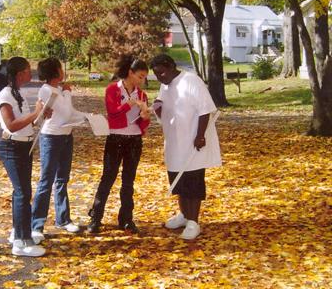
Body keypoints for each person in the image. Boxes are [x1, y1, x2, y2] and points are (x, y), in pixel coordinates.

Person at [150, 54, 221, 240]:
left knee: (192, 182)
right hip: (174, 143)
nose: (160, 77)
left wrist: (200, 135)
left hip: (192, 142)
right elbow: (164, 107)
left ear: (172, 66)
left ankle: (193, 222)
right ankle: (184, 215)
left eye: (162, 72)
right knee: (178, 181)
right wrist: (157, 108)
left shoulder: (191, 81)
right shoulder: (165, 85)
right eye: (156, 74)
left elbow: (205, 109)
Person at [87, 55, 150, 234]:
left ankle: (126, 219)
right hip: (115, 138)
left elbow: (143, 125)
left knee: (128, 181)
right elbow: (113, 114)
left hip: (134, 139)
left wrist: (145, 117)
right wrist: (129, 104)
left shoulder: (142, 95)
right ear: (130, 73)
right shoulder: (113, 89)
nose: (142, 80)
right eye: (140, 76)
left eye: (144, 77)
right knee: (108, 178)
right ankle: (96, 217)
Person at [0, 57, 47, 257]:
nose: (30, 73)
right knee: (22, 193)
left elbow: (26, 123)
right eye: (27, 70)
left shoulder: (19, 94)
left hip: (25, 145)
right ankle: (21, 242)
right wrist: (35, 113)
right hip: (12, 147)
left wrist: (41, 115)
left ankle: (19, 232)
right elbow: (11, 125)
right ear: (19, 74)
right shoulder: (5, 95)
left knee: (23, 192)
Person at [31, 57, 85, 242]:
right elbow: (66, 112)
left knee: (62, 179)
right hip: (51, 138)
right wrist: (68, 92)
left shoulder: (59, 90)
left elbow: (70, 113)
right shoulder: (47, 90)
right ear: (55, 72)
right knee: (46, 181)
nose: (63, 71)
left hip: (66, 136)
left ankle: (63, 219)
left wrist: (88, 117)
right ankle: (36, 224)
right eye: (60, 68)